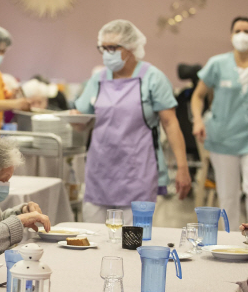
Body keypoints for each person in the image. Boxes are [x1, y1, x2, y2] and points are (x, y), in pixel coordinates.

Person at [74, 20, 191, 224]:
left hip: (137, 173)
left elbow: (170, 124)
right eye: (103, 48)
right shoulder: (98, 79)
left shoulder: (152, 78)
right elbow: (81, 119)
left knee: (132, 242)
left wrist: (182, 168)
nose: (107, 53)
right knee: (94, 239)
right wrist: (73, 119)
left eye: (113, 48)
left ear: (131, 47)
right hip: (100, 172)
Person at [192, 16, 248, 229]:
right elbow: (197, 96)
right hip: (222, 139)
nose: (241, 35)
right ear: (231, 35)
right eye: (237, 31)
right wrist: (197, 120)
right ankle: (232, 241)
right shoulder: (217, 64)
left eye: (246, 31)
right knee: (228, 195)